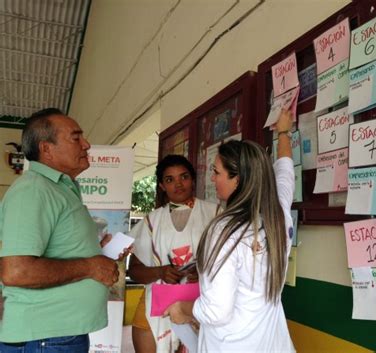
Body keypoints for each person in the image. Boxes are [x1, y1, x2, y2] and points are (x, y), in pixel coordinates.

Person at [166, 109, 296, 352]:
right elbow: (285, 174)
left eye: (217, 172)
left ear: (237, 180)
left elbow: (217, 311)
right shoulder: (279, 217)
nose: (212, 179)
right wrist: (284, 132)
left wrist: (182, 309)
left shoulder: (224, 230)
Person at [0, 108, 120, 352]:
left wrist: (101, 256)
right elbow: (16, 271)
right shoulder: (33, 191)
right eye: (76, 138)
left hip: (56, 336)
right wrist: (91, 266)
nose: (86, 145)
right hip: (45, 338)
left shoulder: (59, 189)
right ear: (46, 149)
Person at [128, 154, 218, 353]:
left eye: (183, 177)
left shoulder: (215, 213)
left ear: (193, 180)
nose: (178, 184)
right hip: (157, 302)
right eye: (170, 180)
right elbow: (134, 271)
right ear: (161, 185)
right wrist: (160, 272)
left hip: (203, 302)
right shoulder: (152, 221)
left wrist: (204, 271)